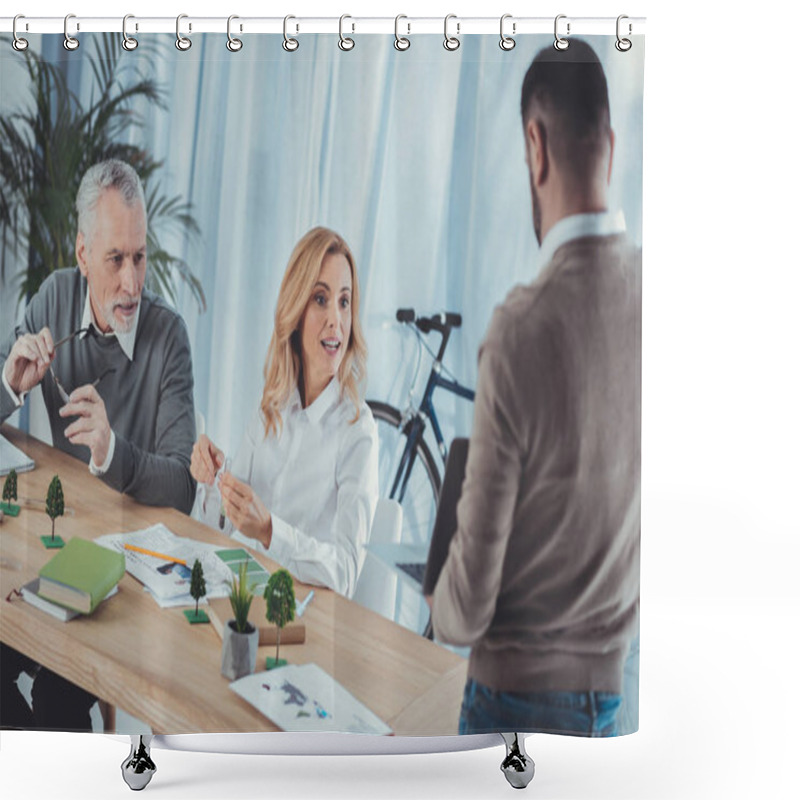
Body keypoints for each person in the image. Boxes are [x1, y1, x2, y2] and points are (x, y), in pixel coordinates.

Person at [429, 40, 641, 737]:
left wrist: (439, 594)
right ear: (609, 142)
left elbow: (464, 612)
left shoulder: (521, 329)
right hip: (613, 708)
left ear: (535, 143)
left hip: (511, 712)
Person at [0, 159, 197, 731]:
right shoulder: (54, 298)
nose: (132, 282)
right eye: (116, 259)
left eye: (140, 256)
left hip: (126, 580)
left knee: (62, 697)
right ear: (83, 255)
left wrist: (111, 451)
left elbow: (183, 485)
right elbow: (7, 383)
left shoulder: (168, 337)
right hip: (60, 548)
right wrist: (10, 384)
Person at [191, 226, 378, 599]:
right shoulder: (271, 408)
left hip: (301, 622)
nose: (336, 321)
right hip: (241, 597)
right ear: (295, 309)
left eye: (344, 301)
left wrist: (270, 532)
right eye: (320, 299)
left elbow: (345, 572)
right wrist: (213, 481)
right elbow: (217, 527)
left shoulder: (358, 431)